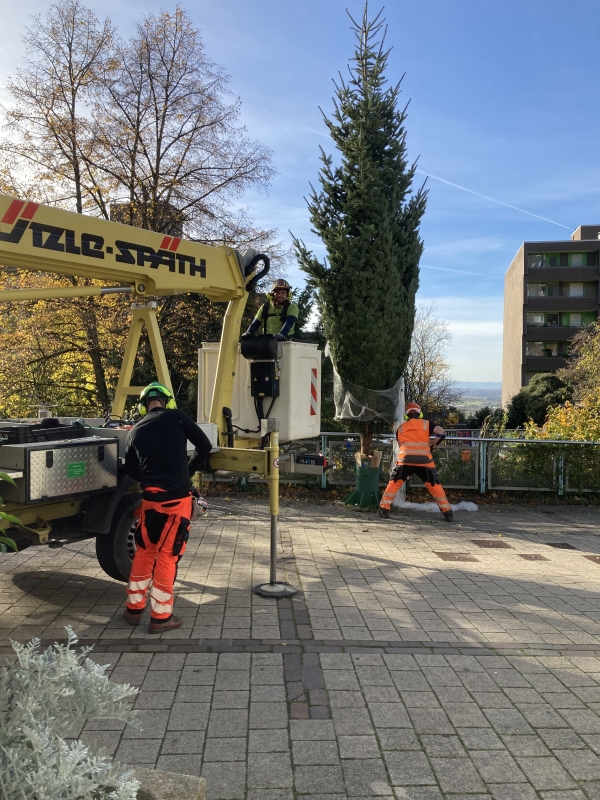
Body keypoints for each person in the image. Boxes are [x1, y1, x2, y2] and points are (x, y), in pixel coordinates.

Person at [122, 382, 212, 633]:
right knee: (167, 556)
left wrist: (150, 476)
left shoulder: (135, 429)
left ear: (143, 406)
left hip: (150, 501)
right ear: (167, 401)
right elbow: (204, 446)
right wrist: (188, 470)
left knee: (145, 552)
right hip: (176, 502)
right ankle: (161, 617)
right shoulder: (177, 417)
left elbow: (130, 469)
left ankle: (133, 610)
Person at [378, 402, 454, 522]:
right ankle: (447, 512)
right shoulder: (426, 424)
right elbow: (441, 431)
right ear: (420, 414)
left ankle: (384, 509)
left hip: (405, 459)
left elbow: (400, 446)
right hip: (424, 460)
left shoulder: (401, 428)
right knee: (434, 485)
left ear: (407, 416)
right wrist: (435, 444)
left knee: (394, 483)